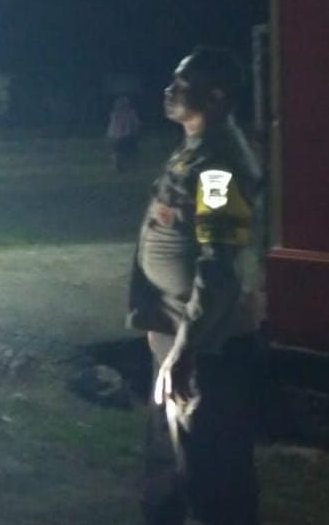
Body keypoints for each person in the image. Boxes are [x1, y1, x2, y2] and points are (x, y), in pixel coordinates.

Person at [127, 47, 264, 525]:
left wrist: (187, 347)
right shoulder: (196, 149)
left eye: (182, 84)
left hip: (207, 345)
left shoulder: (221, 163)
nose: (169, 90)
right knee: (168, 462)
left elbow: (219, 266)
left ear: (216, 96)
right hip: (178, 337)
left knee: (211, 470)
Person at [108, 95, 142, 172]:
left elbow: (136, 124)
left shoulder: (129, 113)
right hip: (123, 136)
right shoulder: (116, 114)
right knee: (122, 153)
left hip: (125, 136)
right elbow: (113, 127)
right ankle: (123, 167)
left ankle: (129, 167)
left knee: (127, 153)